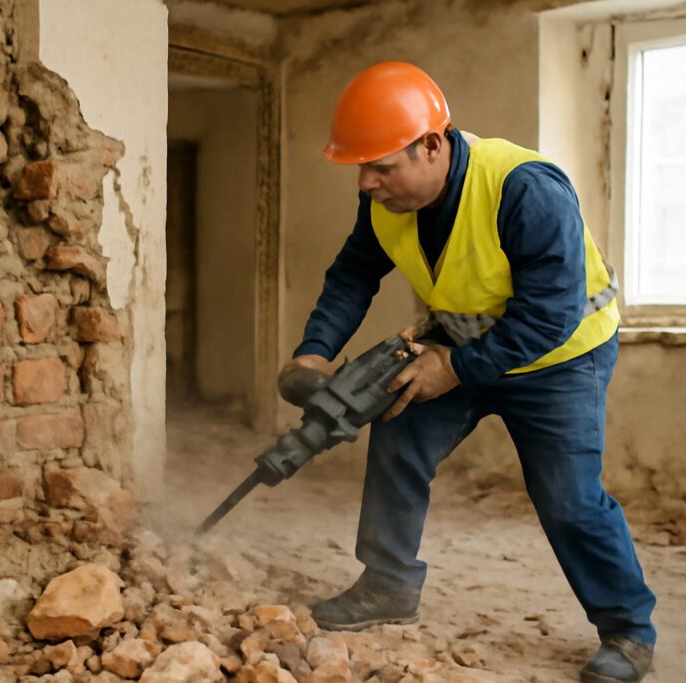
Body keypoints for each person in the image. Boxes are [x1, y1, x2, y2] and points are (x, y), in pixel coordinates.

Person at [278, 61, 657, 683]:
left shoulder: (524, 188)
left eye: (381, 166)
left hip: (560, 356)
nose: (368, 182)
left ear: (432, 145)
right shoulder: (385, 201)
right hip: (462, 342)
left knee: (568, 498)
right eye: (360, 168)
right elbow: (353, 276)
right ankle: (388, 585)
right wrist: (314, 352)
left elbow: (548, 318)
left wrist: (454, 370)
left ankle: (627, 631)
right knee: (398, 433)